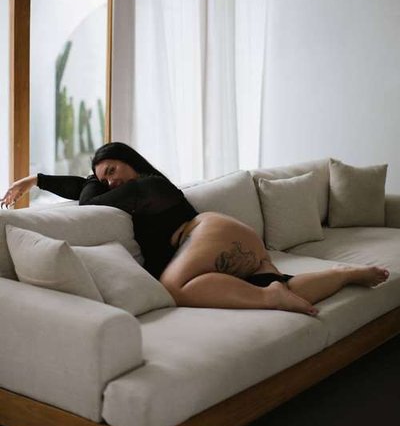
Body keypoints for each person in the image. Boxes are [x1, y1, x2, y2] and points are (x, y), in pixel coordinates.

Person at [1, 142, 389, 316]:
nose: (110, 182)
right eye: (104, 179)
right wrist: (36, 180)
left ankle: (269, 298)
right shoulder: (138, 188)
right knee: (283, 285)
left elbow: (88, 202)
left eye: (112, 170)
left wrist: (87, 181)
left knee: (172, 287)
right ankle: (344, 275)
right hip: (223, 237)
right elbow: (87, 190)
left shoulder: (147, 186)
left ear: (130, 162)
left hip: (205, 233)